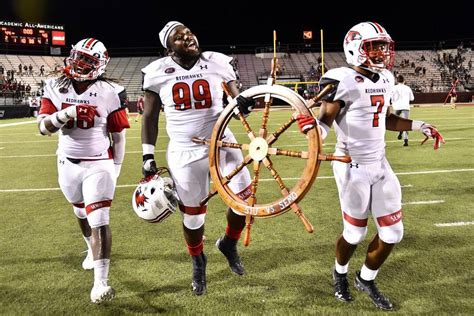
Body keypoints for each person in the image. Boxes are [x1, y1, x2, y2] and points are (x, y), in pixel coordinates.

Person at [296, 22, 445, 310]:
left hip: (380, 162)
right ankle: (339, 273)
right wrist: (312, 129)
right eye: (372, 46)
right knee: (355, 233)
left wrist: (419, 125)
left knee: (393, 233)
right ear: (354, 48)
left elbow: (386, 118)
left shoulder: (386, 78)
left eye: (382, 46)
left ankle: (366, 278)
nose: (380, 52)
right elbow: (325, 123)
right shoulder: (342, 79)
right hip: (351, 165)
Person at [140, 21, 255, 296]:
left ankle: (228, 243)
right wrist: (147, 156)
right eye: (179, 38)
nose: (188, 38)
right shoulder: (157, 72)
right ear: (169, 49)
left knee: (244, 201)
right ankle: (198, 260)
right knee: (193, 217)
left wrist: (243, 103)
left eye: (189, 32)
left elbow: (235, 94)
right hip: (184, 150)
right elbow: (149, 116)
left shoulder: (216, 61)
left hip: (222, 142)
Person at [37, 38, 130, 304]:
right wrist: (65, 115)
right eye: (78, 56)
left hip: (99, 162)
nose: (80, 63)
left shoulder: (111, 91)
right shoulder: (55, 86)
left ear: (99, 64)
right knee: (80, 212)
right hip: (66, 161)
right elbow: (43, 128)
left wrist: (116, 168)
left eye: (88, 60)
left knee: (99, 218)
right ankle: (90, 249)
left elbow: (119, 136)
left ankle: (100, 284)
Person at [391, 75, 414, 146]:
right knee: (405, 123)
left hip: (396, 107)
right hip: (405, 107)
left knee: (396, 122)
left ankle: (400, 131)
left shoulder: (393, 88)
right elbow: (412, 98)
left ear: (397, 81)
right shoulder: (407, 88)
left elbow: (390, 97)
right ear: (404, 81)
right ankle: (406, 140)